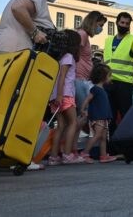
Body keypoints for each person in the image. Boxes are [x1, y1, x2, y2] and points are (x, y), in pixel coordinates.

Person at [47, 30, 85, 166]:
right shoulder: (69, 57)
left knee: (61, 125)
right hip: (65, 94)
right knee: (73, 123)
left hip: (55, 95)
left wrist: (56, 95)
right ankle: (68, 155)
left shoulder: (60, 58)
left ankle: (53, 157)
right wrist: (60, 95)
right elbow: (63, 76)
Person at [72, 11, 107, 149]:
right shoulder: (82, 35)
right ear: (93, 22)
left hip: (82, 79)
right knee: (83, 115)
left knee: (79, 116)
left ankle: (71, 148)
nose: (101, 29)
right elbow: (73, 53)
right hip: (79, 79)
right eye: (100, 25)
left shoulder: (83, 35)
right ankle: (71, 148)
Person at [79, 64, 117, 164]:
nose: (110, 78)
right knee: (97, 135)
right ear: (103, 77)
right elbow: (87, 99)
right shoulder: (95, 89)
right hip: (98, 116)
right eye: (109, 76)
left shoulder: (102, 89)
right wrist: (82, 109)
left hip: (103, 116)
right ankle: (84, 153)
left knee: (103, 137)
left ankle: (103, 155)